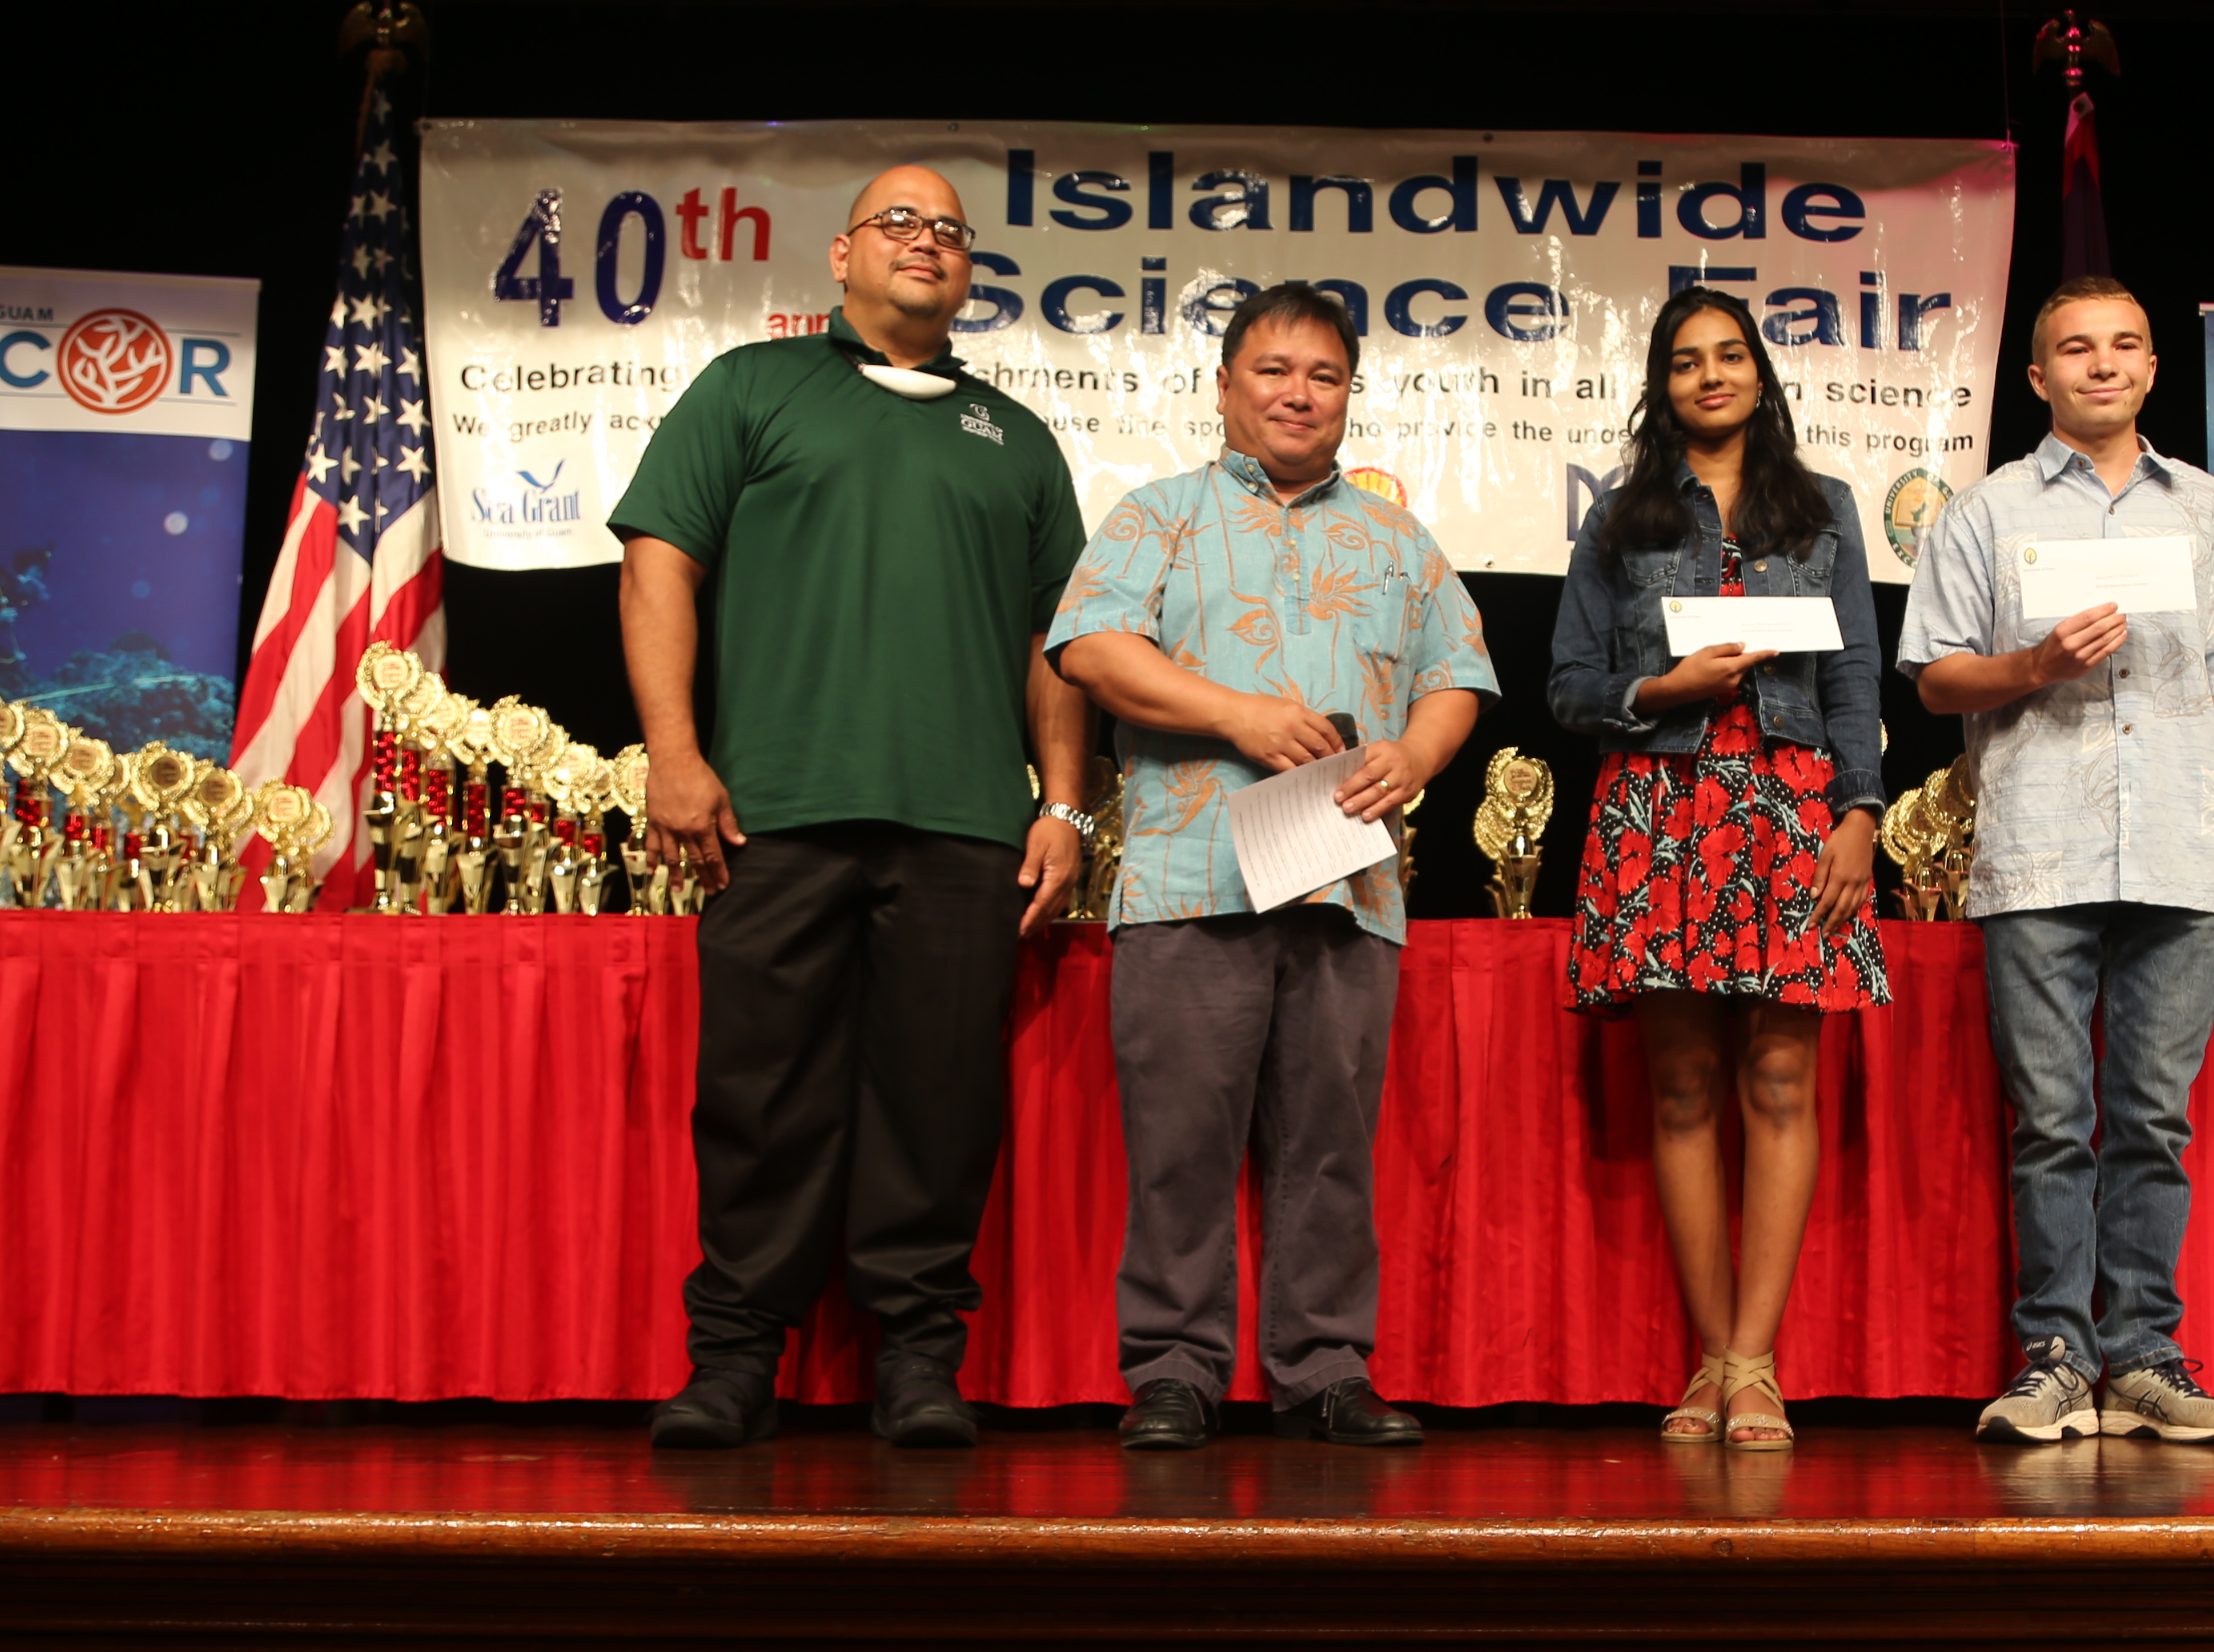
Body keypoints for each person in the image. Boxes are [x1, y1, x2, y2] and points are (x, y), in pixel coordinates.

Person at [611, 165, 1097, 1452]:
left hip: (963, 828)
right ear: (839, 255)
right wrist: (674, 748)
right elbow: (659, 559)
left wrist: (1065, 806)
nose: (927, 241)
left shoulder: (1018, 437)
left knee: (938, 1100)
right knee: (758, 1091)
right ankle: (733, 1359)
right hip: (775, 811)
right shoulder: (749, 390)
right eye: (900, 221)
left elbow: (1057, 642)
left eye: (949, 229)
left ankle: (920, 1359)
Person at [1049, 282, 1495, 1453]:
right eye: (1273, 372)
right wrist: (1236, 716)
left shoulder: (1398, 537)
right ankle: (1173, 1371)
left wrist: (1415, 750)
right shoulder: (1161, 515)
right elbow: (1090, 646)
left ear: (1348, 394)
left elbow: (1458, 673)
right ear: (1224, 386)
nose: (1298, 395)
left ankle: (1324, 1369)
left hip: (1348, 884)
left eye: (1324, 376)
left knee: (1329, 1146)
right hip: (1191, 874)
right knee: (1179, 1143)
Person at [1896, 278, 2214, 1446]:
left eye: (2123, 345)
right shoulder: (1987, 510)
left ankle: (2148, 1354)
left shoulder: (2206, 510)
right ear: (2037, 376)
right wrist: (2034, 664)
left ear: (2153, 367)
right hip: (2041, 846)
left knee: (2153, 1118)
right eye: (2075, 347)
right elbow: (1933, 674)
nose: (2100, 363)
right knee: (2053, 1119)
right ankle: (2057, 1355)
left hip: (2181, 844)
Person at [1547, 287, 1892, 1450]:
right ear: (1661, 383)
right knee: (1684, 1088)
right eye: (1685, 361)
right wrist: (1661, 692)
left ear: (1758, 372)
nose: (1709, 375)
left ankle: (1756, 1364)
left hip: (1795, 808)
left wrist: (1860, 812)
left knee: (1783, 1084)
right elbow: (1568, 684)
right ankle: (1712, 1360)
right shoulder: (1620, 521)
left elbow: (1853, 683)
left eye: (1729, 355)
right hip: (1661, 802)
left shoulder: (1825, 509)